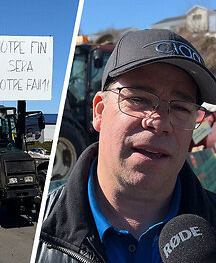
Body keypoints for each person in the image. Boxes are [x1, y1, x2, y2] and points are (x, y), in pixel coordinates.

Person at [36, 29, 216, 262]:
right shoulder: (42, 232)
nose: (159, 123)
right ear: (99, 111)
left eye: (181, 107)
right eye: (139, 99)